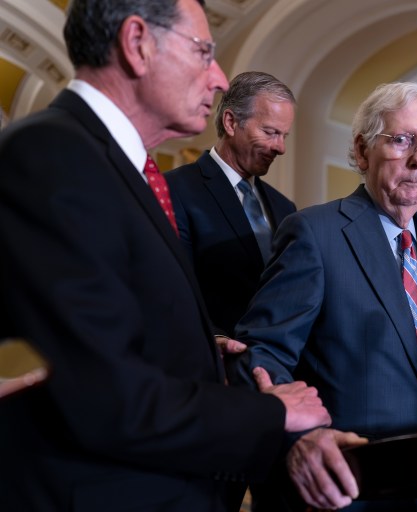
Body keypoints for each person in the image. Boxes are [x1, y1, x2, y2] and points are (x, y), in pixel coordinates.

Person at [0, 1, 364, 511]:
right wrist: (269, 413)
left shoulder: (117, 167)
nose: (218, 78)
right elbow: (106, 397)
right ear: (137, 43)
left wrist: (198, 347)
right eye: (204, 51)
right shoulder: (54, 154)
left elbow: (122, 336)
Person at [231, 81, 417, 511]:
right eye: (403, 140)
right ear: (362, 149)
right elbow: (261, 354)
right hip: (347, 481)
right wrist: (302, 439)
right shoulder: (315, 232)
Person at [166, 71, 297, 349]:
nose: (281, 147)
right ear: (231, 122)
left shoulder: (284, 207)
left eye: (284, 135)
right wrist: (216, 339)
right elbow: (172, 288)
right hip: (211, 362)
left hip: (278, 365)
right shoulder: (175, 190)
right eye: (270, 132)